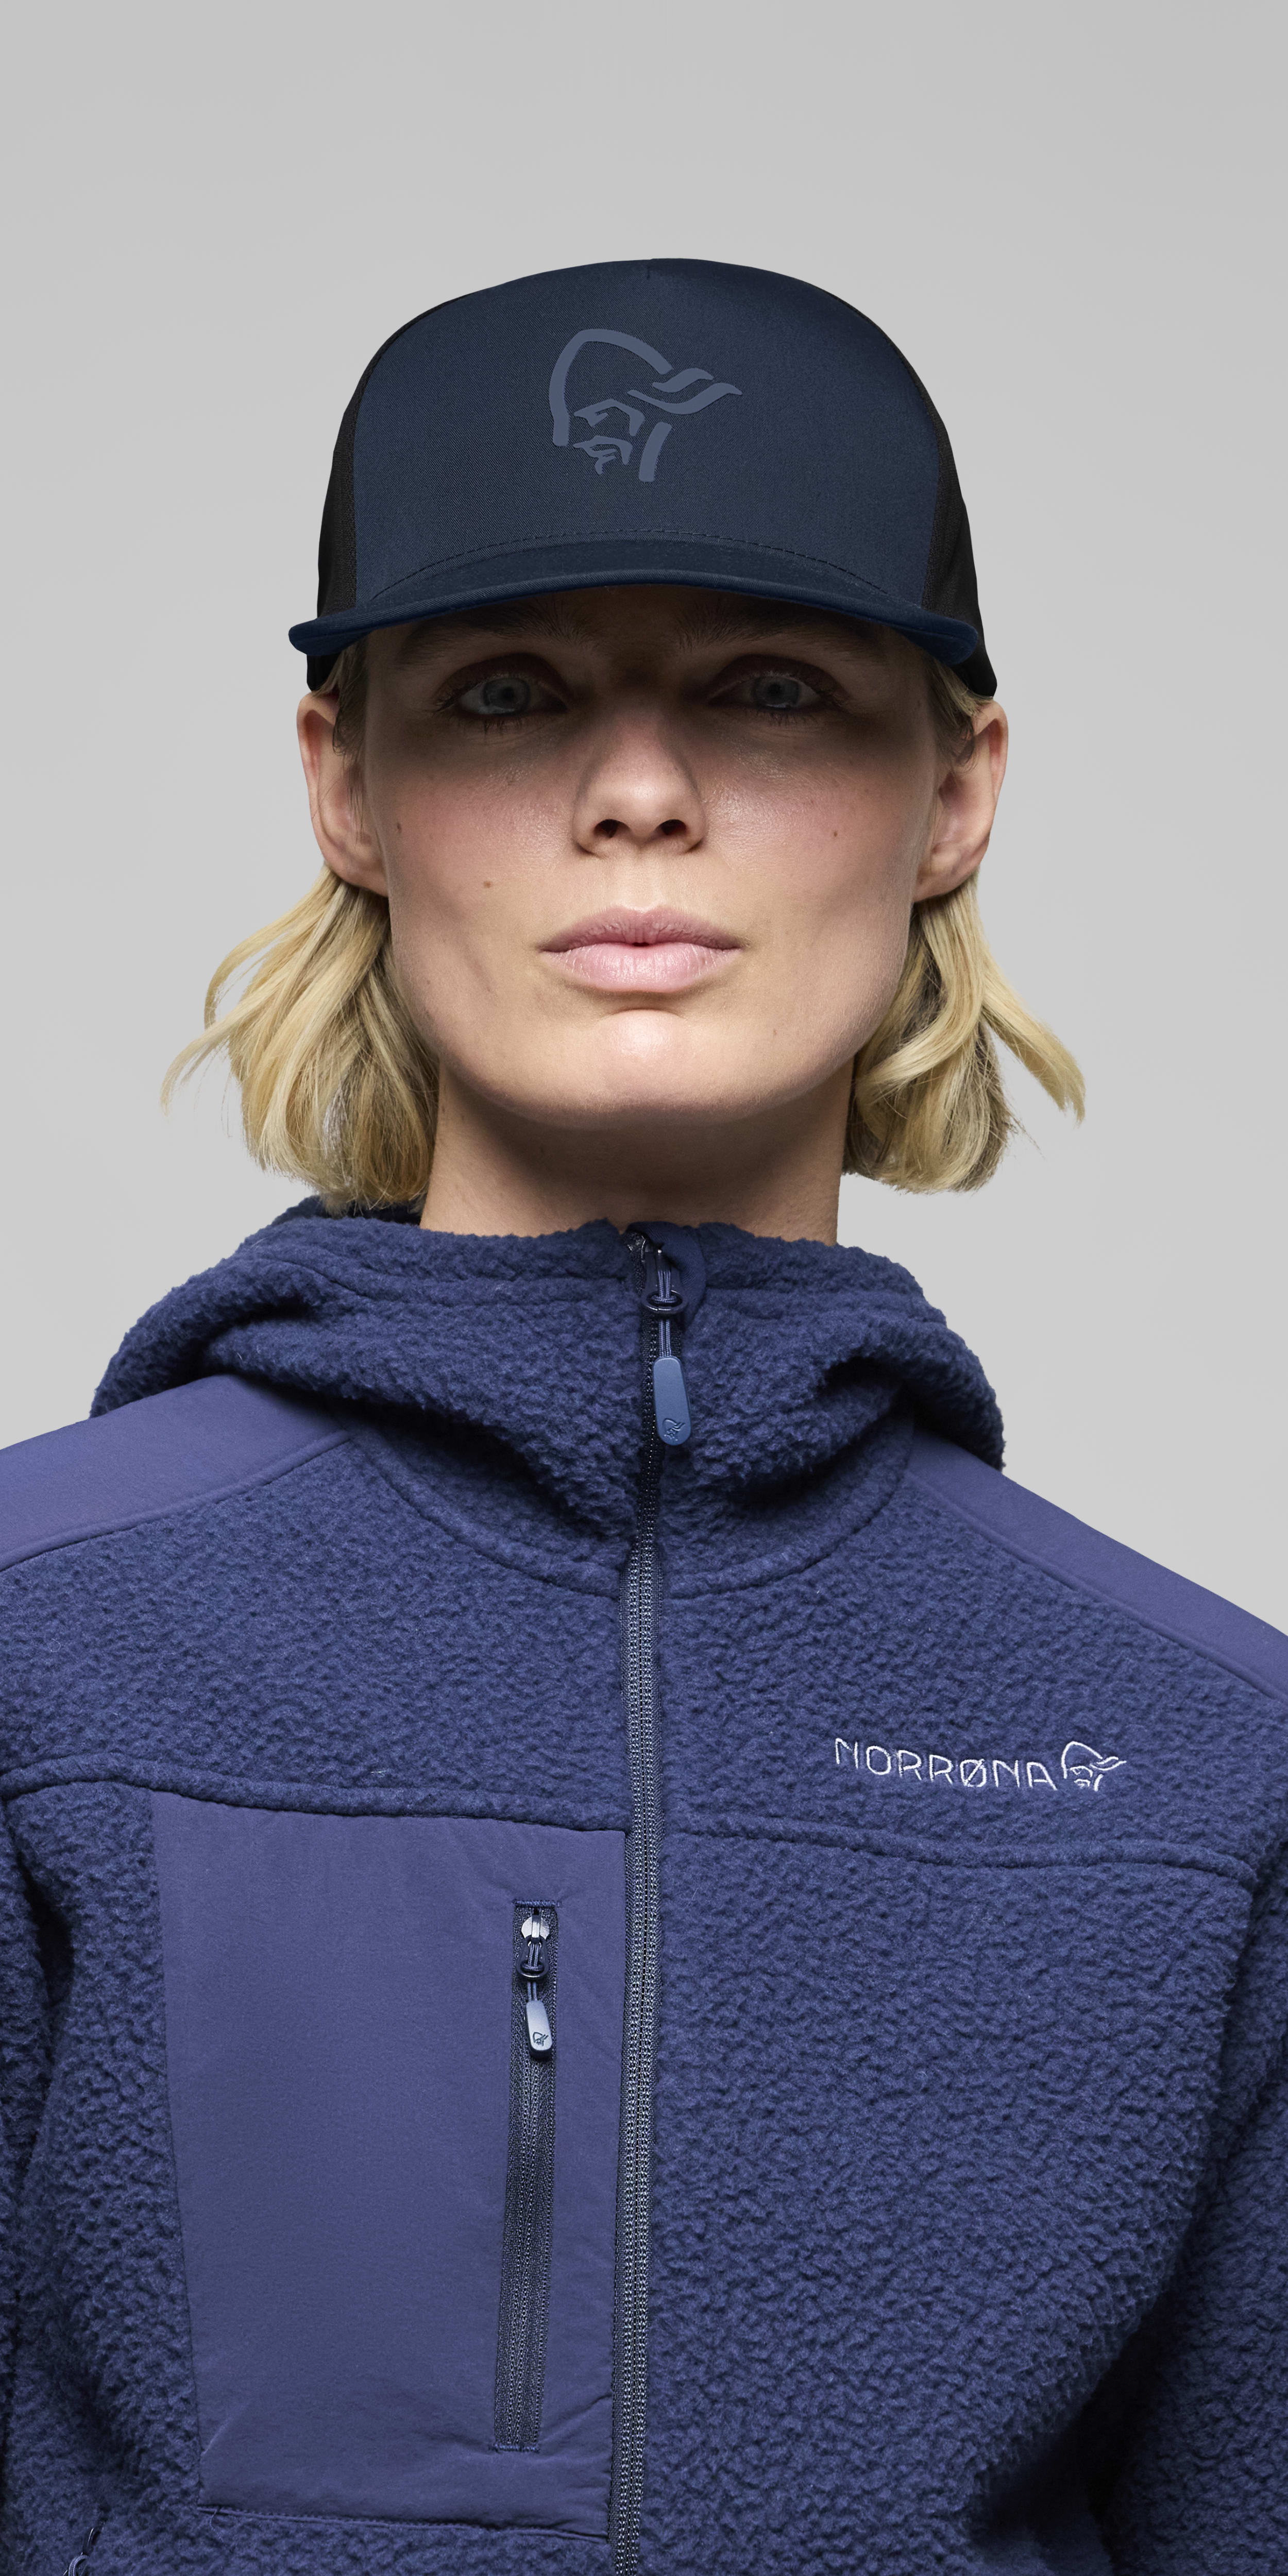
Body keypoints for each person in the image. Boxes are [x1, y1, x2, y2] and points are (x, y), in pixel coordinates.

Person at [1, 260, 1283, 2576]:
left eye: (768, 691)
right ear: (348, 787)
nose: (637, 794)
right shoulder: (43, 1646)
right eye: (509, 694)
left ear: (954, 792)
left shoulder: (1204, 1759)